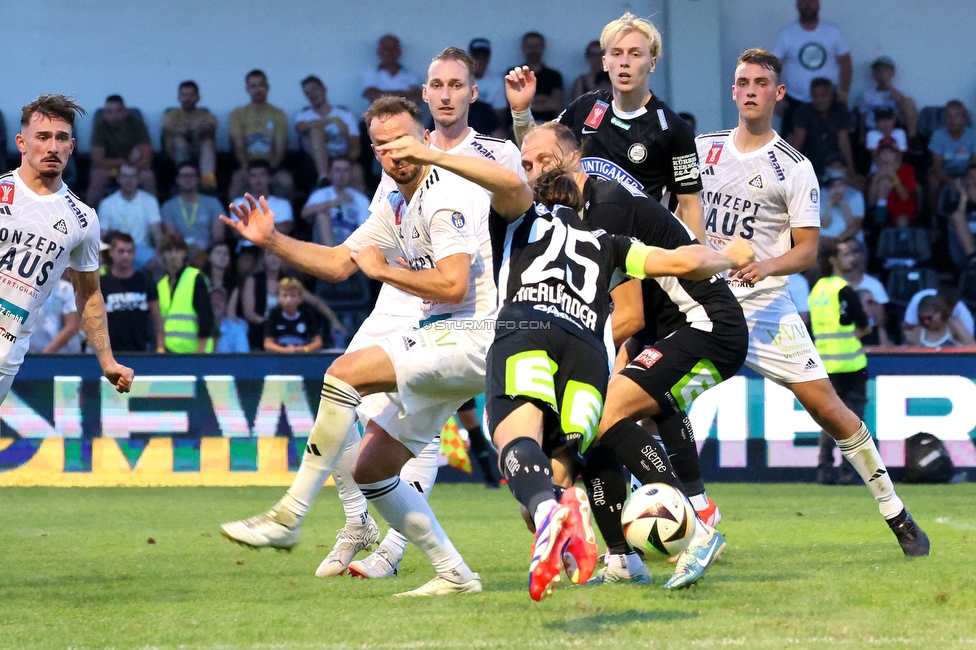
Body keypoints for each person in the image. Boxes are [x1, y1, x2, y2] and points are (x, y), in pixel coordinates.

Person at [374, 128, 754, 598]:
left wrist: (431, 154)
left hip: (529, 329)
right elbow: (678, 261)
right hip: (586, 350)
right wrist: (724, 256)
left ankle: (668, 524)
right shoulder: (607, 241)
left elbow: (508, 187)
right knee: (587, 445)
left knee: (521, 446)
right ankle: (617, 553)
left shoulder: (524, 219)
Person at [220, 97, 496, 597]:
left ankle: (290, 514)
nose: (396, 151)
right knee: (372, 470)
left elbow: (455, 286)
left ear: (427, 139)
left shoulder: (444, 191)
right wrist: (272, 241)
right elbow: (336, 262)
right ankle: (454, 574)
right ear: (373, 151)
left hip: (476, 331)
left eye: (404, 139)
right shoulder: (396, 199)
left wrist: (385, 271)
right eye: (384, 144)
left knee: (343, 374)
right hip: (446, 336)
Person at [697, 48, 928, 555]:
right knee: (652, 399)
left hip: (766, 307)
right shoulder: (703, 150)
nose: (751, 89)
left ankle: (896, 512)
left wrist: (764, 265)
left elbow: (807, 251)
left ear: (778, 94)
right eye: (743, 81)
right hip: (704, 306)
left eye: (761, 82)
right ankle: (691, 517)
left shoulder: (794, 167)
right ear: (733, 91)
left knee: (827, 406)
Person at [320, 47, 526, 582]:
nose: (447, 93)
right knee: (343, 395)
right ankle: (355, 522)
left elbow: (528, 192)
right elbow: (379, 229)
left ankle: (392, 548)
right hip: (407, 292)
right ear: (426, 94)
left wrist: (523, 117)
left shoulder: (497, 152)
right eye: (438, 84)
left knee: (434, 428)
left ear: (472, 93)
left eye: (458, 84)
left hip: (470, 297)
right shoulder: (399, 152)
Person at [517, 122, 752, 588]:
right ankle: (623, 560)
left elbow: (625, 312)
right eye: (526, 164)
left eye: (545, 160)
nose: (534, 171)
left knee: (601, 414)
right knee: (593, 427)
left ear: (573, 157)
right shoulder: (573, 211)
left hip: (709, 326)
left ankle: (698, 529)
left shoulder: (606, 208)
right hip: (676, 330)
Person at [507, 13, 705, 243]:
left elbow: (691, 207)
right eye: (617, 53)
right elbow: (535, 154)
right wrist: (521, 111)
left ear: (652, 63)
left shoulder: (672, 128)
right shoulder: (585, 107)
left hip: (642, 260)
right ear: (604, 62)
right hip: (581, 250)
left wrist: (700, 274)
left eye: (635, 54)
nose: (624, 62)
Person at [1, 93, 132, 402]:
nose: (52, 146)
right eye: (43, 137)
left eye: (62, 138)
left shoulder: (82, 219)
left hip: (7, 357)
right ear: (21, 143)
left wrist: (107, 361)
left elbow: (88, 294)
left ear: (71, 147)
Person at [809, 239, 872, 484]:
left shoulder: (816, 291)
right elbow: (864, 327)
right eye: (845, 255)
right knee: (854, 422)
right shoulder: (843, 290)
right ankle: (849, 471)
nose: (852, 259)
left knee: (829, 420)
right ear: (833, 261)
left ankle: (824, 468)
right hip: (852, 366)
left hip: (826, 366)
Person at [771, 0, 852, 137]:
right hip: (795, 101)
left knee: (829, 150)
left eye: (811, 1)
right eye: (803, 1)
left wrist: (843, 94)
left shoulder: (832, 32)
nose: (808, 5)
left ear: (818, 4)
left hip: (828, 102)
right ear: (797, 5)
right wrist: (777, 98)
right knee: (790, 152)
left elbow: (846, 63)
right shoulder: (787, 34)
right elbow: (772, 66)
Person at [228, 70, 293, 201]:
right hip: (246, 167)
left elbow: (280, 149)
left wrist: (267, 172)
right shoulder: (237, 114)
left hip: (272, 168)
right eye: (253, 86)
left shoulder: (278, 114)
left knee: (287, 181)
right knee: (236, 180)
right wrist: (251, 172)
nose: (258, 89)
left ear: (268, 88)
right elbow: (239, 147)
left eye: (262, 85)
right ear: (247, 89)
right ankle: (232, 220)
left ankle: (287, 218)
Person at [87, 95, 156, 204]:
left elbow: (146, 160)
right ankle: (87, 216)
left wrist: (129, 165)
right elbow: (98, 161)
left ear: (125, 111)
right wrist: (126, 161)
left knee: (147, 175)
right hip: (111, 169)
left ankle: (154, 213)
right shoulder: (100, 126)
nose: (114, 115)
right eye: (109, 112)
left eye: (118, 111)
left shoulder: (137, 124)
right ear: (104, 113)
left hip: (134, 168)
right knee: (98, 176)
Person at [101, 232, 163, 352]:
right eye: (121, 251)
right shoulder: (102, 283)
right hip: (111, 354)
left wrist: (160, 347)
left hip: (141, 352)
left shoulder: (145, 281)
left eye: (129, 252)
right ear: (111, 253)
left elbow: (157, 319)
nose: (125, 256)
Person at [294, 75, 361, 186]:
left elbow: (356, 146)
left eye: (314, 89)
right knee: (316, 131)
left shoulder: (344, 114)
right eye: (307, 93)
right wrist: (331, 121)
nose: (312, 95)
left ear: (324, 88)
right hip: (316, 162)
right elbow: (299, 127)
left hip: (343, 157)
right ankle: (324, 177)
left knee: (357, 171)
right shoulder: (304, 115)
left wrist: (344, 132)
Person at [96, 162, 163, 271]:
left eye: (133, 176)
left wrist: (159, 253)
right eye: (125, 176)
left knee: (157, 265)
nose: (129, 180)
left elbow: (156, 232)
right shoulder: (107, 203)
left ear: (139, 178)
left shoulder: (150, 201)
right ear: (118, 179)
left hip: (141, 248)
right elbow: (101, 234)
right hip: (117, 249)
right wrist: (99, 255)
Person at [156, 235, 214, 354]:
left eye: (177, 251)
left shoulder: (195, 277)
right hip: (170, 353)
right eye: (169, 251)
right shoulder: (161, 285)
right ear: (163, 254)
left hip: (195, 352)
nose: (173, 255)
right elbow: (160, 322)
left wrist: (200, 353)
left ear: (184, 253)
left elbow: (206, 319)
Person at [787, 78, 856, 178]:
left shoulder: (840, 110)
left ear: (831, 95)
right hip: (809, 162)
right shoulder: (803, 111)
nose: (819, 99)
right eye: (815, 95)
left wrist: (850, 169)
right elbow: (798, 141)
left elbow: (843, 140)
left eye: (823, 95)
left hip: (834, 162)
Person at [160, 81, 219, 189]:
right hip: (174, 152)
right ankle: (184, 182)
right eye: (184, 95)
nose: (187, 99)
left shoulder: (205, 114)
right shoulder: (170, 114)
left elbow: (211, 129)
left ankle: (208, 185)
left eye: (191, 95)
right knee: (180, 141)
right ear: (178, 98)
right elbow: (170, 129)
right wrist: (192, 128)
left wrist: (194, 130)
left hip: (197, 148)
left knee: (207, 143)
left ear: (198, 98)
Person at [836, 238, 893, 347]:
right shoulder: (833, 285)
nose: (852, 257)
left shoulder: (875, 286)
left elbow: (880, 322)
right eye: (846, 253)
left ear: (862, 256)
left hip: (869, 336)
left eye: (855, 251)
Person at [302, 157, 371, 246]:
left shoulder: (361, 199)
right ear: (330, 173)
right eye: (337, 170)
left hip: (350, 246)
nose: (341, 175)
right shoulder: (321, 194)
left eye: (345, 170)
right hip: (323, 247)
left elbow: (366, 230)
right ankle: (332, 256)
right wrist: (334, 203)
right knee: (322, 216)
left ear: (351, 173)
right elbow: (304, 213)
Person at [159, 163, 224, 256]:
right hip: (180, 250)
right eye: (184, 176)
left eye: (191, 176)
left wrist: (203, 251)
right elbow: (171, 235)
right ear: (177, 180)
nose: (188, 179)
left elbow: (218, 236)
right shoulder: (168, 206)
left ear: (198, 179)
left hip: (207, 250)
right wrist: (188, 249)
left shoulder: (213, 203)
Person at [928, 101, 976, 216]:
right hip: (944, 172)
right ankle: (934, 218)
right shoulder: (938, 135)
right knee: (933, 182)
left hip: (966, 172)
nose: (952, 120)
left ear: (964, 119)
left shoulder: (973, 135)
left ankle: (971, 213)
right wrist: (954, 182)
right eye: (949, 116)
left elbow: (974, 164)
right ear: (944, 119)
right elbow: (937, 168)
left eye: (957, 116)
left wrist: (968, 180)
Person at [231, 160, 293, 240]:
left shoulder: (283, 203)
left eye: (262, 175)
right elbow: (237, 232)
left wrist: (250, 226)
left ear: (269, 178)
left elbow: (284, 229)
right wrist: (270, 226)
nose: (258, 180)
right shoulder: (238, 203)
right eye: (253, 176)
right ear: (248, 179)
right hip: (248, 247)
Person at [263, 277, 327, 352]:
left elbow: (317, 342)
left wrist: (303, 349)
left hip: (302, 356)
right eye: (285, 295)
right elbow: (267, 344)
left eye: (293, 296)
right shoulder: (274, 314)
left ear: (300, 298)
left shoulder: (307, 313)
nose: (288, 299)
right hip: (280, 356)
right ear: (278, 297)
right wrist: (284, 350)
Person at [859, 57, 918, 138]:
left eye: (886, 71)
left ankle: (912, 139)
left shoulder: (898, 92)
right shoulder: (868, 94)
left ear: (893, 74)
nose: (882, 74)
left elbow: (905, 106)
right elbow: (863, 116)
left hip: (894, 128)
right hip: (875, 129)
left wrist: (888, 85)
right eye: (879, 71)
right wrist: (861, 138)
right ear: (874, 74)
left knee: (909, 101)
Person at [27, 270, 82, 354]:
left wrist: (45, 354)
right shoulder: (20, 288)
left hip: (59, 357)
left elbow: (72, 326)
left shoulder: (66, 289)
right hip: (25, 354)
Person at [362, 34, 423, 105]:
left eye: (393, 48)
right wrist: (404, 94)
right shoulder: (371, 74)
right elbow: (374, 98)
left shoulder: (412, 75)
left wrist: (382, 94)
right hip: (379, 116)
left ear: (399, 52)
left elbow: (415, 100)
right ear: (379, 52)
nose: (389, 52)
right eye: (386, 48)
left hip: (407, 115)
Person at [902, 286, 974, 343]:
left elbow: (972, 349)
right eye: (921, 319)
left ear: (940, 313)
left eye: (929, 318)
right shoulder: (918, 331)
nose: (925, 322)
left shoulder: (957, 323)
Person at [468, 38, 508, 128]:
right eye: (477, 56)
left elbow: (500, 112)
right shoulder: (459, 78)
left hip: (486, 127)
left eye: (484, 56)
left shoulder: (497, 81)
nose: (480, 60)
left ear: (489, 57)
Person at [819, 168, 863, 243]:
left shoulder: (854, 196)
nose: (836, 188)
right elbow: (825, 224)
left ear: (845, 186)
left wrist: (842, 203)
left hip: (847, 240)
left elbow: (853, 225)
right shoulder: (822, 197)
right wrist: (829, 204)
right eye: (832, 186)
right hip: (825, 240)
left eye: (839, 184)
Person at [945, 164, 976, 269]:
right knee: (957, 216)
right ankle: (973, 258)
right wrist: (964, 196)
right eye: (971, 178)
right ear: (965, 181)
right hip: (964, 256)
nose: (974, 182)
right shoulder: (954, 202)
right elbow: (956, 216)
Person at [210, 286, 249, 353]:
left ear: (226, 306)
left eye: (220, 299)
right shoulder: (198, 328)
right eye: (212, 298)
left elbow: (243, 359)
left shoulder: (237, 330)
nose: (216, 302)